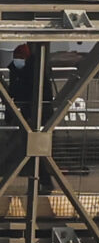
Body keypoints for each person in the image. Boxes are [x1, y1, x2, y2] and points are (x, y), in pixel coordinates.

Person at [6, 44, 54, 193]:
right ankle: (42, 182)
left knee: (32, 150)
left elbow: (34, 93)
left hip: (35, 116)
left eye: (19, 58)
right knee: (31, 150)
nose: (17, 61)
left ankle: (43, 182)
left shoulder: (33, 73)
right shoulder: (24, 70)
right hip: (28, 114)